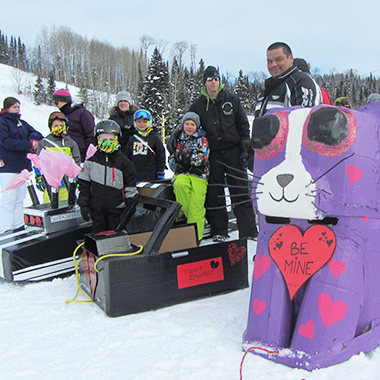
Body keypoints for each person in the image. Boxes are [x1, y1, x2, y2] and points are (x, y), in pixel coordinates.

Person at [189, 66, 257, 242]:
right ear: (205, 81)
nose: (213, 81)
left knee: (240, 191)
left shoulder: (231, 99)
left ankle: (249, 231)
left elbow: (243, 124)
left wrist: (245, 144)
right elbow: (190, 125)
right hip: (213, 154)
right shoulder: (197, 105)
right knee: (215, 193)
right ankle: (219, 230)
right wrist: (176, 136)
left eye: (216, 78)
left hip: (233, 151)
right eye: (210, 78)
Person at [77, 120, 137, 233]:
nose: (107, 142)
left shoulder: (124, 162)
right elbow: (83, 185)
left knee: (116, 237)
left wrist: (131, 202)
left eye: (111, 139)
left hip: (117, 209)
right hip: (97, 210)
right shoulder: (90, 163)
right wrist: (84, 204)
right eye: (103, 140)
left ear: (117, 140)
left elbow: (130, 183)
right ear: (97, 140)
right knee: (99, 236)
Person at [0, 97, 43, 233]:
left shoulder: (21, 123)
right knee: (9, 198)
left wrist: (34, 140)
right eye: (14, 107)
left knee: (20, 197)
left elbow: (36, 133)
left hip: (22, 166)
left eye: (18, 107)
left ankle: (18, 225)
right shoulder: (2, 122)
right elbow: (6, 142)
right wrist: (28, 144)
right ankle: (5, 228)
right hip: (8, 166)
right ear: (7, 108)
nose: (17, 110)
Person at [168, 112, 210, 240]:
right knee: (179, 184)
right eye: (187, 124)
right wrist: (177, 165)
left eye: (192, 124)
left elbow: (203, 156)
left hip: (198, 174)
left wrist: (188, 159)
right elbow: (172, 157)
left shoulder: (202, 139)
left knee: (196, 205)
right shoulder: (178, 139)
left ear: (197, 126)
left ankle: (196, 237)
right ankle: (184, 214)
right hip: (182, 173)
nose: (189, 127)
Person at [255, 42, 322, 117]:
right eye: (269, 61)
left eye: (278, 59)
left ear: (290, 58)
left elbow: (306, 120)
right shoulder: (266, 91)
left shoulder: (301, 82)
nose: (273, 64)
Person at [35, 112, 81, 204]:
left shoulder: (71, 143)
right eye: (56, 125)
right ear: (51, 126)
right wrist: (39, 177)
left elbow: (76, 162)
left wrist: (77, 177)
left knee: (66, 207)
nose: (59, 127)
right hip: (50, 184)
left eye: (61, 125)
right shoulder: (44, 143)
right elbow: (38, 162)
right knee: (50, 207)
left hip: (66, 184)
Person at [52, 89, 95, 163]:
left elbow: (91, 134)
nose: (55, 105)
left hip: (80, 157)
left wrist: (88, 156)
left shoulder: (82, 113)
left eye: (56, 102)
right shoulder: (63, 116)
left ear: (64, 100)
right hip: (65, 157)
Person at [124, 110, 166, 182]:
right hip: (135, 174)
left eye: (144, 121)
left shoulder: (154, 137)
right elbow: (127, 156)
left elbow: (160, 154)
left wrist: (160, 171)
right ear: (135, 122)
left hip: (151, 174)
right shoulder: (132, 138)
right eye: (139, 122)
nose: (141, 124)